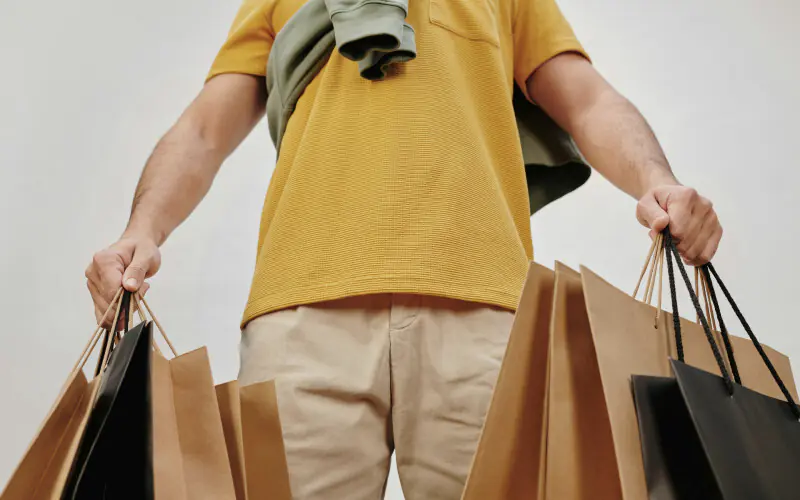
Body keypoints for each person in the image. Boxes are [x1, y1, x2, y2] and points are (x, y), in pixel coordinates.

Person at [85, 0, 723, 498]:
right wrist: (142, 230)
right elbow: (204, 129)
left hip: (483, 309)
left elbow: (587, 99)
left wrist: (658, 181)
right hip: (302, 314)